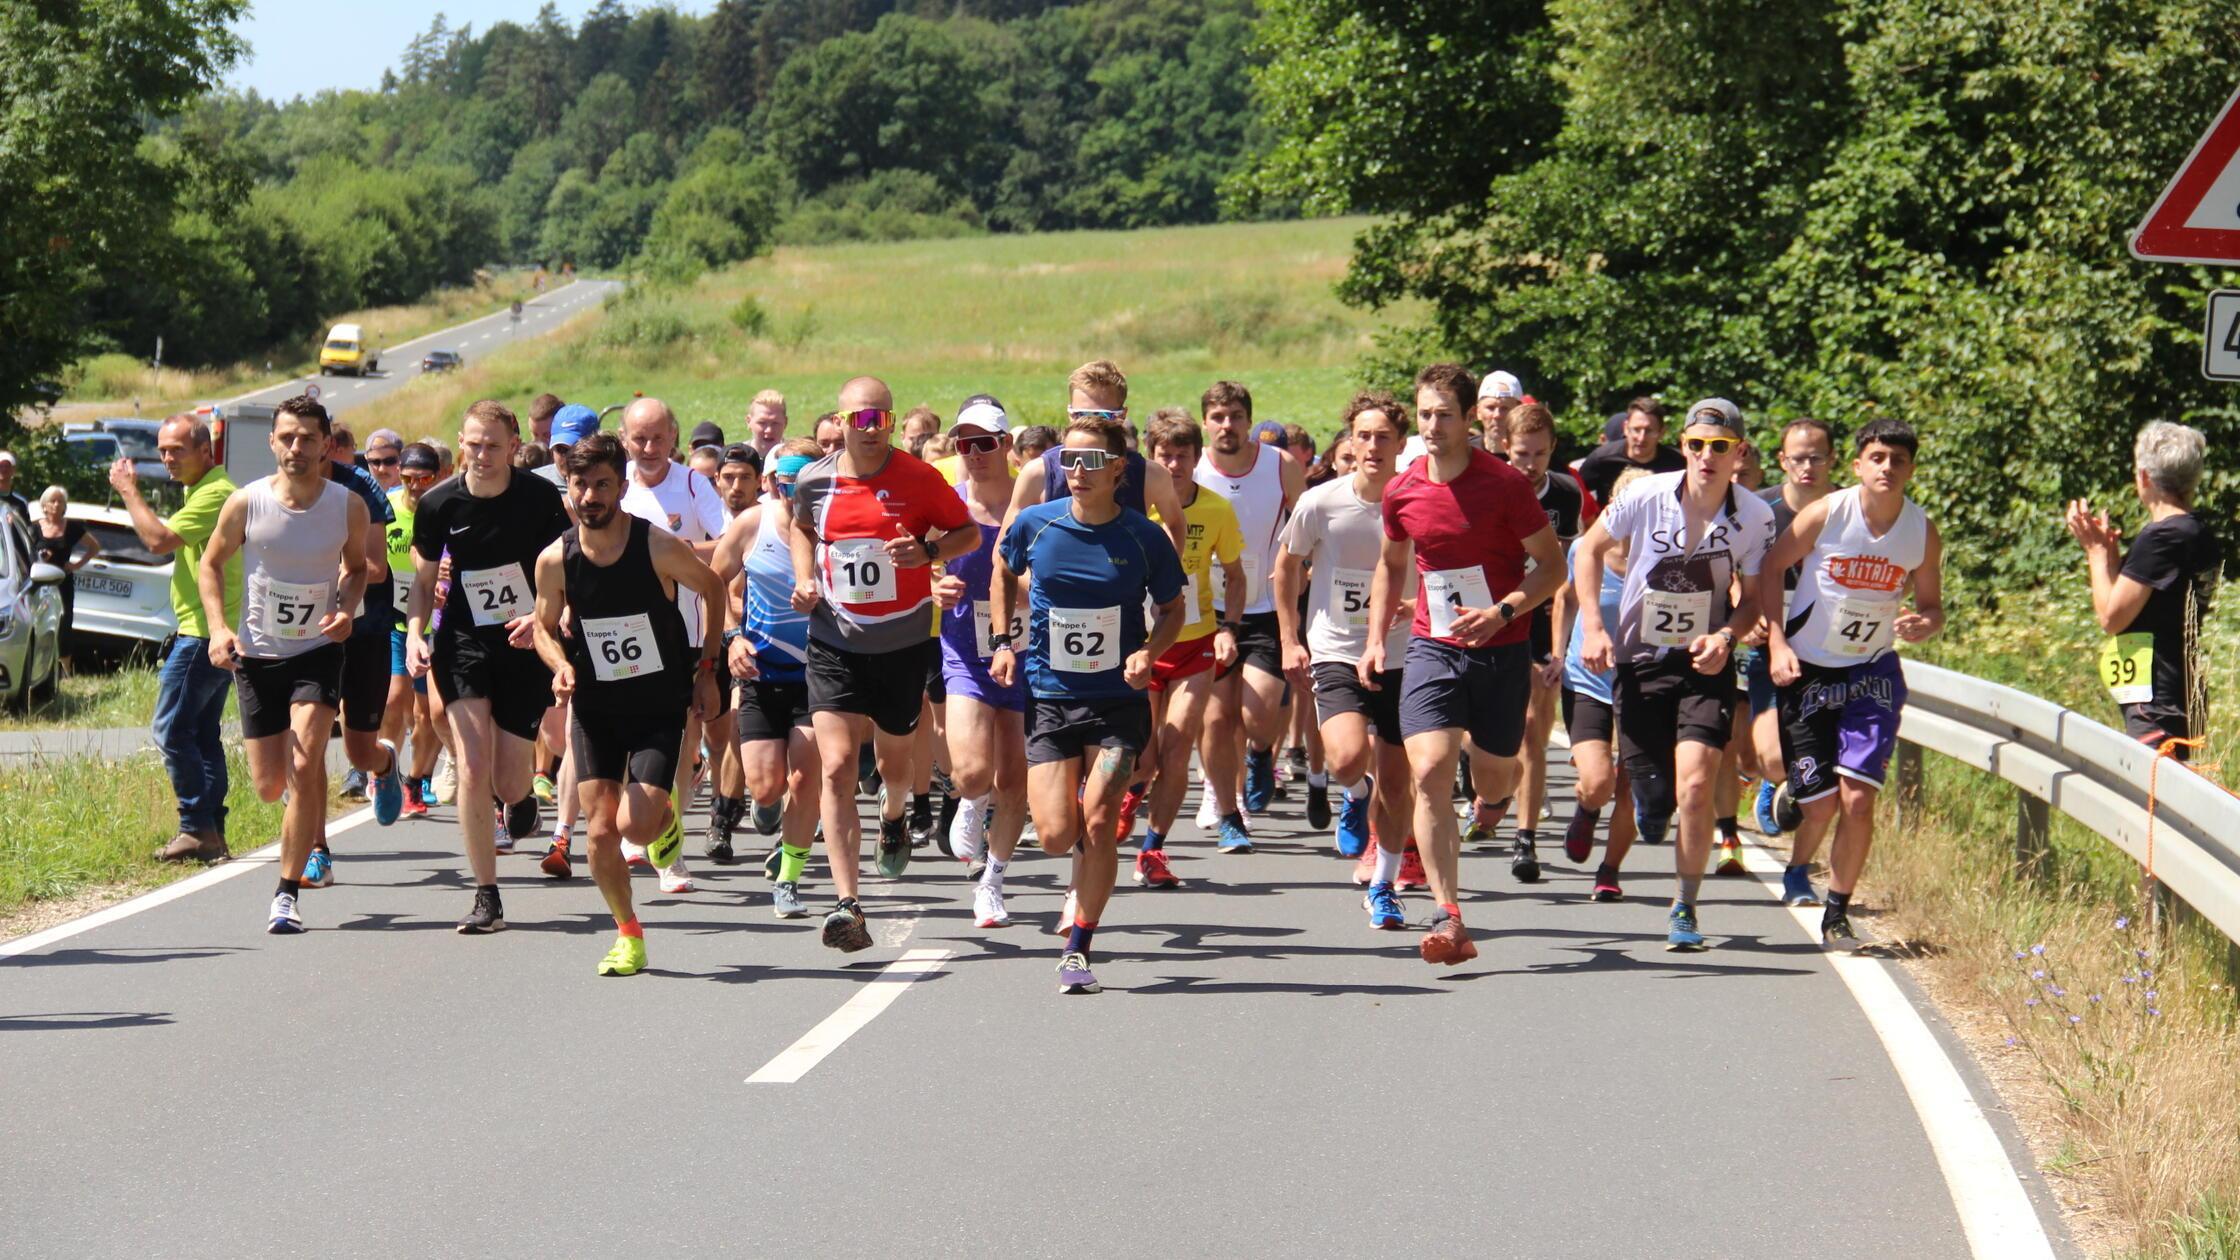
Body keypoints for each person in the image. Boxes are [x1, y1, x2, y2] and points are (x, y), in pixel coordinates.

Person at [1364, 364, 1564, 965]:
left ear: (1470, 417)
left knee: (1495, 774)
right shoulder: (1402, 489)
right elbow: (1390, 565)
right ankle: (1449, 916)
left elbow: (1551, 569)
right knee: (1427, 771)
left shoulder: (1504, 485)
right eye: (1424, 413)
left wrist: (1503, 612)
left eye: (1443, 414)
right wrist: (1377, 639)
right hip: (1432, 645)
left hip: (1501, 650)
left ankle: (1495, 804)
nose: (1431, 425)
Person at [990, 414, 1186, 993]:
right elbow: (1002, 570)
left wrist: (1150, 652)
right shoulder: (1036, 525)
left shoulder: (1142, 536)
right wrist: (1004, 641)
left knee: (1100, 821)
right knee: (1055, 834)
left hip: (1117, 702)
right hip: (1051, 696)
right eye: (1068, 462)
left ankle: (1079, 946)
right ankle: (1078, 840)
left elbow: (1173, 609)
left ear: (1118, 468)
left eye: (1091, 462)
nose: (1077, 472)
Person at [1574, 397, 1775, 952]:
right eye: (1696, 445)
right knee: (1653, 805)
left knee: (1694, 787)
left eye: (1720, 447)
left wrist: (1728, 635)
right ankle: (1646, 810)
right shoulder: (1645, 495)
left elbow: (1755, 599)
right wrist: (1593, 627)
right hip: (1640, 662)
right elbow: (1587, 551)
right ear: (1683, 446)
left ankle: (1684, 904)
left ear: (1738, 453)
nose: (1706, 456)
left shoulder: (1755, 517)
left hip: (1702, 663)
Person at [789, 377, 974, 952]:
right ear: (841, 421)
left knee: (895, 765)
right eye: (861, 419)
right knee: (839, 766)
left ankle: (894, 814)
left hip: (901, 644)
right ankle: (848, 903)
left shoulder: (920, 479)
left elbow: (965, 532)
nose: (872, 430)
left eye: (882, 420)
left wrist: (929, 552)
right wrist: (804, 578)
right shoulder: (814, 480)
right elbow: (800, 526)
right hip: (834, 642)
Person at [532, 433, 725, 975]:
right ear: (566, 487)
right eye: (580, 484)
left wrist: (707, 669)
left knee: (635, 828)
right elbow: (543, 628)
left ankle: (663, 822)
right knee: (598, 829)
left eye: (602, 485)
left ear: (620, 488)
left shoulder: (655, 545)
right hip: (595, 707)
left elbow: (711, 589)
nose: (590, 496)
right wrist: (560, 665)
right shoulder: (555, 560)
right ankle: (628, 932)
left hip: (658, 704)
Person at [194, 396, 371, 933]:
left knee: (306, 758)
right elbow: (210, 565)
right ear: (273, 442)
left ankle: (286, 893)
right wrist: (220, 628)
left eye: (308, 438)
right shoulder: (247, 504)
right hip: (257, 656)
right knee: (271, 784)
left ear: (325, 445)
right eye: (287, 437)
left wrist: (345, 610)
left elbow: (358, 569)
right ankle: (309, 819)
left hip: (317, 652)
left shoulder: (347, 505)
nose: (297, 447)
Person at [1765, 418, 1944, 942]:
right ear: (1859, 465)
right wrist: (1776, 643)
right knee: (1818, 804)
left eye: (1899, 460)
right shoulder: (1828, 514)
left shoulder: (1921, 532)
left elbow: (1933, 608)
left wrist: (1925, 623)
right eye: (1878, 458)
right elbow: (1773, 568)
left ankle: (1836, 912)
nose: (1888, 468)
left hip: (1872, 673)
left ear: (1911, 468)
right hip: (1809, 669)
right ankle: (1798, 866)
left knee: (1859, 799)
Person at [407, 400, 574, 934]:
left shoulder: (540, 497)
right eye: (473, 444)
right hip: (462, 642)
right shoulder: (438, 504)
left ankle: (521, 800)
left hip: (524, 641)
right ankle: (486, 895)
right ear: (462, 441)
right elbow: (422, 580)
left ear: (512, 444)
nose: (482, 455)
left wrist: (547, 617)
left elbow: (570, 566)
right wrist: (414, 631)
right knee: (474, 768)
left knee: (508, 777)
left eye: (494, 446)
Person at [1274, 393, 1416, 930]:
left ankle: (1383, 885)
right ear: (1349, 443)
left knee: (1401, 785)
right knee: (1346, 757)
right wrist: (1290, 638)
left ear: (1401, 445)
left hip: (1404, 653)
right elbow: (1286, 569)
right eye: (1364, 435)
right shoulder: (1322, 502)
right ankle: (1357, 794)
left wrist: (1415, 608)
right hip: (1336, 647)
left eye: (1384, 437)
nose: (1373, 446)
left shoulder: (1419, 501)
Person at [925, 397, 1034, 925]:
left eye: (984, 443)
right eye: (964, 444)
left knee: (1014, 781)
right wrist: (933, 584)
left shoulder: (1032, 502)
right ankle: (970, 800)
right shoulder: (947, 503)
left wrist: (1026, 590)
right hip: (966, 650)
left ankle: (993, 881)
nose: (974, 454)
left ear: (1006, 446)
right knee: (973, 772)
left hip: (1029, 654)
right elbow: (916, 558)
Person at [110, 418, 239, 863]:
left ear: (206, 451)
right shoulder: (201, 488)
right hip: (212, 629)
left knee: (169, 729)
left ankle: (196, 828)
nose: (168, 457)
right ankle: (212, 832)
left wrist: (128, 490)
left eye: (177, 449)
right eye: (163, 450)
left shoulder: (214, 493)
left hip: (205, 633)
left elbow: (158, 540)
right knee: (202, 734)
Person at [617, 398, 732, 889]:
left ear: (674, 439)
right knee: (624, 737)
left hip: (682, 633)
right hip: (620, 633)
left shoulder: (692, 484)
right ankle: (633, 825)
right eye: (639, 438)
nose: (648, 448)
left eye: (658, 438)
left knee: (681, 742)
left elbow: (729, 543)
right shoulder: (612, 485)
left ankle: (670, 852)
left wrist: (678, 552)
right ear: (624, 439)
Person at [1130, 413, 1245, 884]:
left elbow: (1235, 577)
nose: (1174, 465)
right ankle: (1132, 789)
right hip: (1140, 645)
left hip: (1195, 642)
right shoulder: (1135, 509)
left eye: (1182, 456)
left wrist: (1229, 628)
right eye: (1164, 455)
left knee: (1177, 750)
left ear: (1197, 459)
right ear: (1151, 458)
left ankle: (1154, 849)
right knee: (1145, 755)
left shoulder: (1217, 510)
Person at [713, 438, 825, 919]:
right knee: (764, 787)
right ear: (769, 482)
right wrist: (732, 638)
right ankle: (770, 811)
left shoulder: (833, 528)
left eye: (799, 487)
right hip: (760, 672)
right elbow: (712, 584)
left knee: (806, 777)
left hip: (818, 676)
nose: (789, 496)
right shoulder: (751, 524)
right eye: (782, 485)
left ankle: (789, 879)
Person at [2066, 421, 2219, 760]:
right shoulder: (2197, 533)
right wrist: (2109, 557)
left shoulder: (2160, 538)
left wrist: (2093, 552)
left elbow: (2111, 617)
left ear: (2145, 478)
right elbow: (2153, 605)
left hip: (2156, 702)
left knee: (2148, 808)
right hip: (2183, 690)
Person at [1193, 379, 1306, 838]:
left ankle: (1260, 752)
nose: (1227, 426)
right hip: (1206, 609)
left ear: (1249, 421)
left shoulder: (1280, 466)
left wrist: (1305, 569)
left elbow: (1306, 525)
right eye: (1218, 417)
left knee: (1258, 715)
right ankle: (1229, 814)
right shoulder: (1193, 468)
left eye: (1236, 417)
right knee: (1216, 717)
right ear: (1206, 423)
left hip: (1262, 605)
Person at [318, 414, 408, 871]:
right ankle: (316, 850)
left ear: (330, 447)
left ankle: (384, 765)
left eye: (313, 442)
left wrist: (325, 573)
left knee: (358, 748)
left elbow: (376, 568)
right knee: (308, 739)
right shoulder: (274, 492)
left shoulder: (361, 488)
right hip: (307, 634)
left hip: (364, 626)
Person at [1499, 402, 1584, 881]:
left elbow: (1566, 576)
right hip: (1492, 610)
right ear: (1504, 449)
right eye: (1520, 455)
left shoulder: (1567, 494)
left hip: (1540, 614)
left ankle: (1525, 838)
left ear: (1552, 451)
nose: (1529, 466)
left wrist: (1560, 648)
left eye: (1538, 455)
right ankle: (1497, 779)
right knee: (1488, 732)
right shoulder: (1491, 484)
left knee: (1535, 725)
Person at [1556, 467, 1649, 901]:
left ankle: (1610, 869)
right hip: (1588, 677)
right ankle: (1587, 807)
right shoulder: (1586, 549)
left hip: (1644, 682)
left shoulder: (1665, 558)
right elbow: (1565, 597)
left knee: (1632, 783)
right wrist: (1558, 654)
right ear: (1613, 505)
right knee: (1598, 781)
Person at [1745, 419, 1836, 843]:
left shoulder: (1850, 510)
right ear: (1782, 461)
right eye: (1798, 458)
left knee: (1820, 759)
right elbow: (1732, 569)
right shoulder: (1760, 512)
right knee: (1771, 757)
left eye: (1817, 457)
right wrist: (1744, 615)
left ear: (1833, 460)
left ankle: (1795, 795)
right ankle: (1775, 779)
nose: (1808, 467)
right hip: (1769, 645)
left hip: (1832, 651)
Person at [381, 443, 443, 819]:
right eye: (408, 478)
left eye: (425, 478)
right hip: (396, 619)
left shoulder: (446, 507)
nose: (416, 486)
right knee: (393, 698)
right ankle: (384, 768)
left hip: (438, 624)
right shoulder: (386, 506)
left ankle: (415, 779)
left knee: (431, 714)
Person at [33, 486, 99, 670]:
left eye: (60, 501)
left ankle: (65, 669)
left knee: (64, 622)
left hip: (62, 581)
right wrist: (39, 555)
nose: (56, 504)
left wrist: (76, 565)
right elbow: (25, 551)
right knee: (39, 621)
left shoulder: (72, 527)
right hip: (39, 582)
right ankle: (39, 665)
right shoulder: (35, 527)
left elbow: (94, 547)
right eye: (52, 501)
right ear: (44, 505)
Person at [1577, 398, 1684, 505]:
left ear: (1661, 432)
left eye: (1649, 431)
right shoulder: (1601, 458)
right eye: (1636, 430)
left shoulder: (1676, 463)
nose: (1641, 438)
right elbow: (1577, 492)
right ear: (1626, 428)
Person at [537, 404, 599, 487]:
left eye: (577, 450)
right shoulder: (536, 484)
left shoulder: (608, 482)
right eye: (562, 450)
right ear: (552, 450)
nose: (568, 458)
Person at [1474, 370, 1523, 451]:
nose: (1497, 415)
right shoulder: (1464, 453)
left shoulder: (1533, 454)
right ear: (1478, 412)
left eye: (1504, 408)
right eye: (1490, 408)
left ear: (1519, 411)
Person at [716, 444, 762, 518]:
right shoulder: (703, 521)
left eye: (745, 478)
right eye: (728, 477)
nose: (736, 487)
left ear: (759, 481)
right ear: (717, 479)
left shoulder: (773, 522)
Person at [745, 390, 788, 461]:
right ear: (748, 421)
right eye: (762, 423)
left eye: (775, 423)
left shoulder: (795, 457)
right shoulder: (738, 457)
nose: (769, 430)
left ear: (785, 422)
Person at [0, 451, 27, 519]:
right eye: (0, 466)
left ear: (13, 470)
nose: (4, 469)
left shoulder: (21, 503)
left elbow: (27, 527)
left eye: (7, 466)